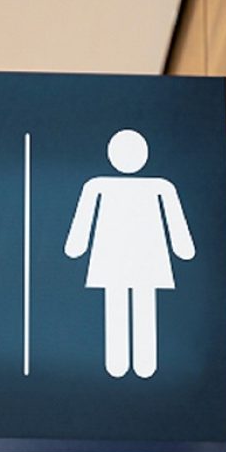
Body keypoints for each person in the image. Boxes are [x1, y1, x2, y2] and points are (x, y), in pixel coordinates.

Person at [64, 129, 194, 378]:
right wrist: (183, 249)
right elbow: (84, 219)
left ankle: (134, 362)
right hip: (135, 257)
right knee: (126, 305)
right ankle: (125, 362)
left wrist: (76, 247)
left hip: (128, 257)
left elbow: (175, 220)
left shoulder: (155, 187)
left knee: (133, 304)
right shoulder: (102, 186)